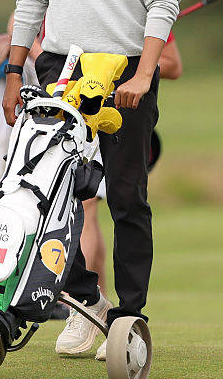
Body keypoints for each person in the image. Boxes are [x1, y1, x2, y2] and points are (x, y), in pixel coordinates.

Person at [3, 0, 183, 362]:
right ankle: (87, 302)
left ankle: (130, 314)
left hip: (129, 67)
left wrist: (146, 72)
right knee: (54, 193)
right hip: (63, 64)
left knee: (126, 194)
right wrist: (15, 69)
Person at [78, 34, 182, 301]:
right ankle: (91, 299)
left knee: (90, 207)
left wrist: (137, 63)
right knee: (80, 209)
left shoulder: (143, 15)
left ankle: (90, 302)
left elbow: (172, 65)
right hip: (73, 108)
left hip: (116, 115)